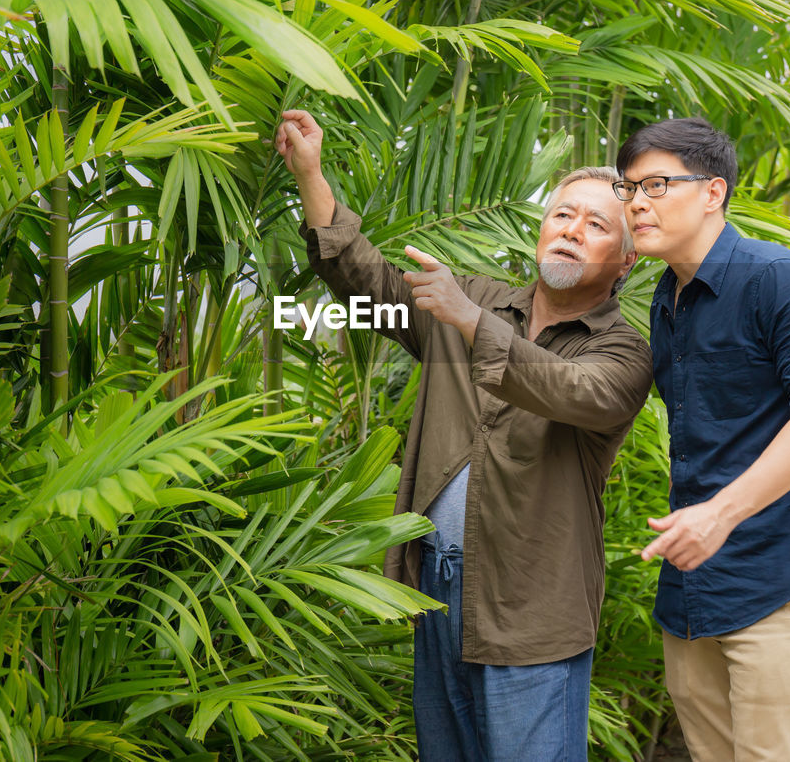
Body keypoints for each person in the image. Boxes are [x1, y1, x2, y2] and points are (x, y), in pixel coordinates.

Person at [275, 109, 653, 761]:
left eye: (596, 225)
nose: (571, 231)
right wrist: (310, 174)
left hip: (532, 607)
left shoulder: (624, 352)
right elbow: (367, 287)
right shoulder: (472, 300)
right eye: (563, 215)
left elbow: (574, 393)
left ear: (625, 257)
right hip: (439, 591)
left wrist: (470, 321)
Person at [614, 118, 790, 761]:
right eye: (629, 187)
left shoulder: (781, 278)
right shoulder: (667, 299)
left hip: (780, 575)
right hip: (693, 586)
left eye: (658, 184)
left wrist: (720, 514)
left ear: (714, 191)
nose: (637, 202)